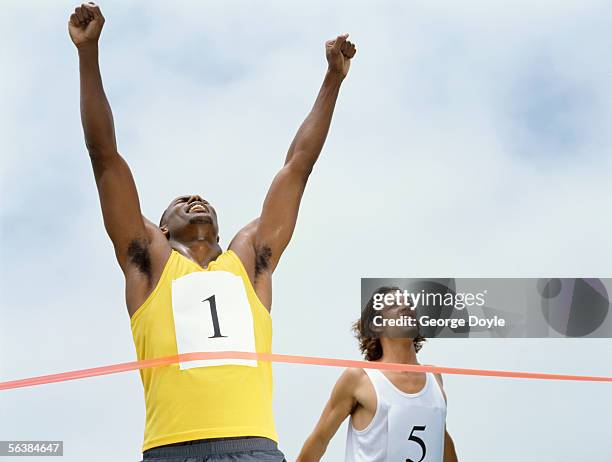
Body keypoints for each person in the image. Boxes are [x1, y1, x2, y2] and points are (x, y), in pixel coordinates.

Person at [67, 3, 357, 461]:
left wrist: (333, 81)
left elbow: (298, 166)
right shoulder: (149, 262)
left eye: (202, 200)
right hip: (171, 449)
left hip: (253, 446)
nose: (194, 199)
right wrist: (88, 53)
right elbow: (103, 155)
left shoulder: (249, 259)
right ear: (161, 227)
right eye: (180, 202)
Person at [297, 287, 458, 462]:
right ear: (376, 324)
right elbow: (319, 442)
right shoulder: (359, 378)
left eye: (410, 304)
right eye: (394, 305)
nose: (406, 307)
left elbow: (439, 438)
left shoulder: (434, 378)